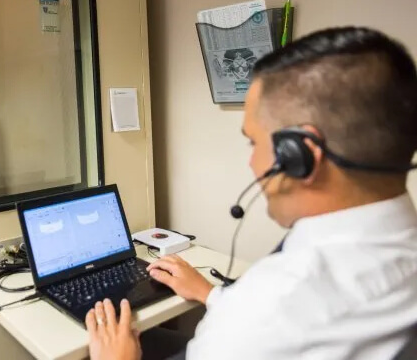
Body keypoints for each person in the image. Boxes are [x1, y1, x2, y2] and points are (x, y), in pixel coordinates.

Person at [85, 27, 417, 359]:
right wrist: (212, 295)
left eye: (254, 142)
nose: (252, 162)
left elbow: (268, 324)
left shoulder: (269, 309)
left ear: (300, 154)